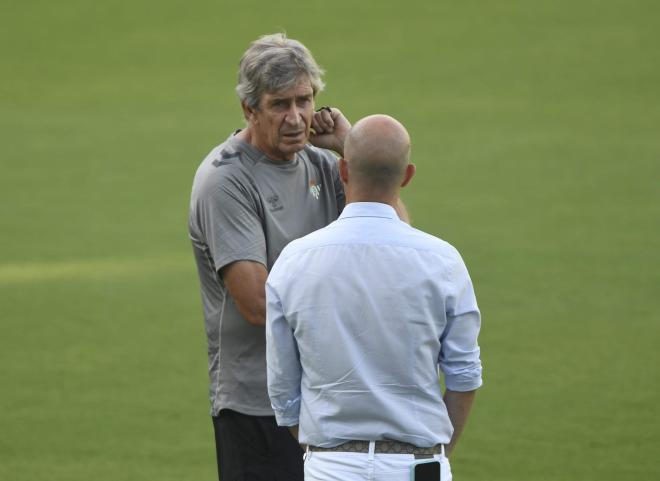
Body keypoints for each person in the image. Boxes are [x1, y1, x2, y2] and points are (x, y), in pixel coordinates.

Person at [265, 115, 483, 480]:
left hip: (330, 467)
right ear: (408, 176)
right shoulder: (442, 260)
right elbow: (464, 375)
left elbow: (283, 388)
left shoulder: (294, 261)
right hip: (418, 465)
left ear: (343, 172)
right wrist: (438, 451)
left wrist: (323, 452)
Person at [188, 33, 353, 480]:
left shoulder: (322, 164)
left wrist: (352, 152)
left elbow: (393, 244)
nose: (297, 117)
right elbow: (258, 304)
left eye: (305, 100)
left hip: (327, 398)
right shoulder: (227, 181)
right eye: (280, 104)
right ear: (249, 108)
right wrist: (357, 304)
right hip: (258, 408)